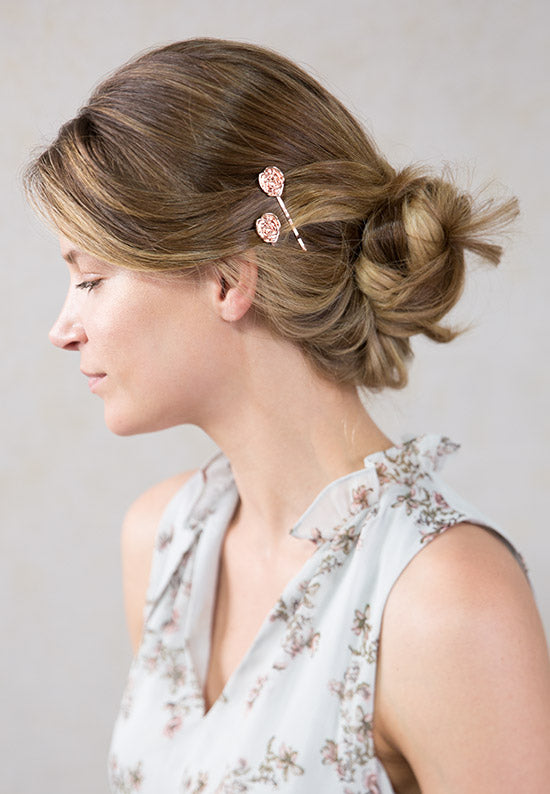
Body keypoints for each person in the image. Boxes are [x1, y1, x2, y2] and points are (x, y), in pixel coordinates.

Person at [25, 38, 550, 794]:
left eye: (91, 280)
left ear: (226, 281)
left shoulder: (445, 598)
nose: (63, 329)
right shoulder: (165, 540)